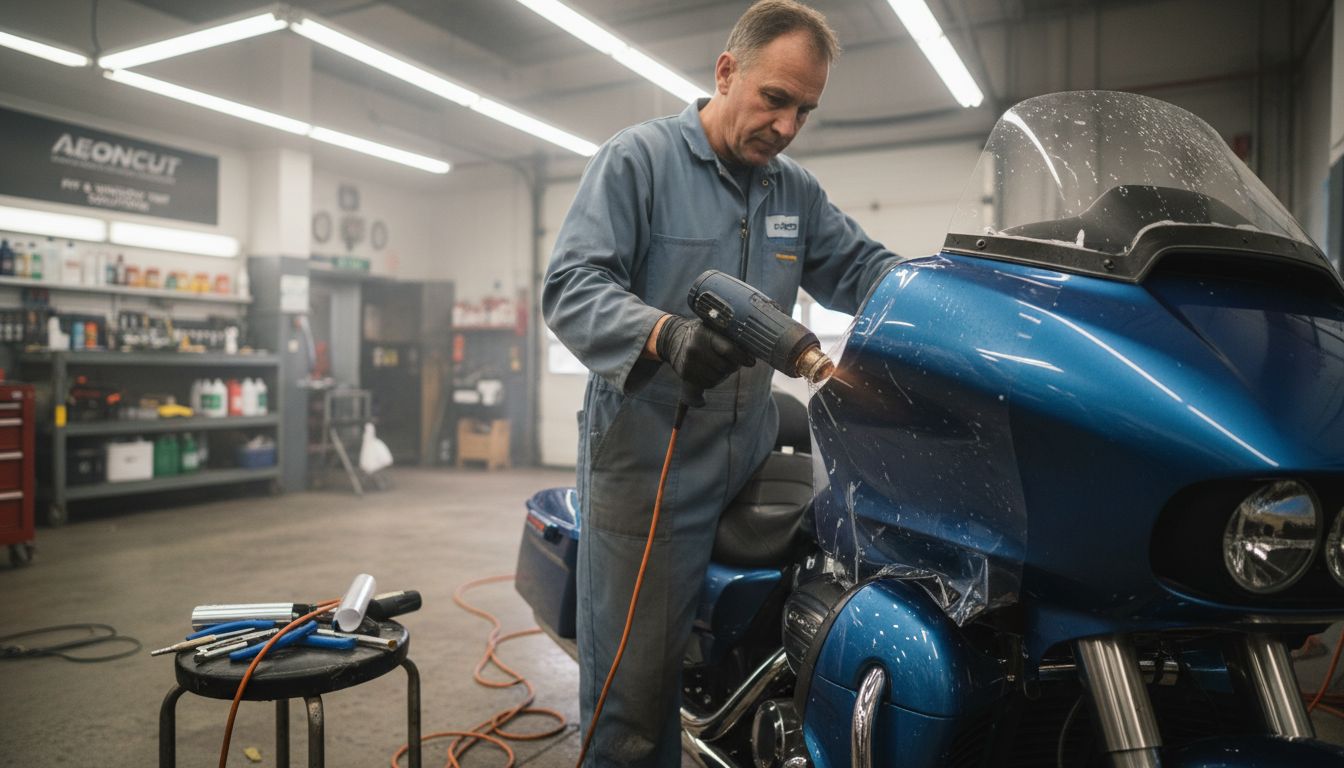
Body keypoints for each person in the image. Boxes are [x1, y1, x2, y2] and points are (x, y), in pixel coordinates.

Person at [543, 1, 901, 764]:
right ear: (726, 71)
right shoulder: (637, 161)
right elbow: (571, 285)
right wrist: (664, 334)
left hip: (746, 449)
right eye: (775, 99)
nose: (787, 126)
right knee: (633, 708)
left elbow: (866, 272)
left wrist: (952, 295)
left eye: (804, 110)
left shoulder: (792, 191)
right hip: (650, 465)